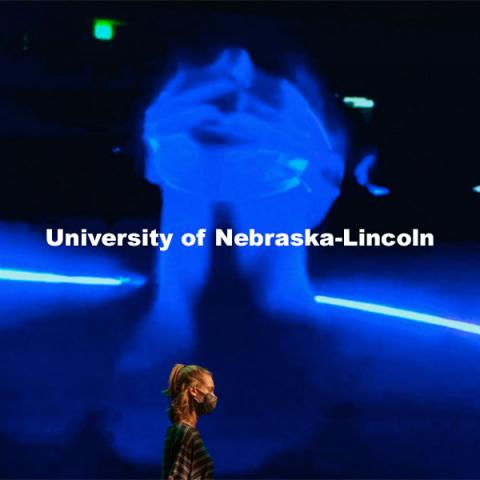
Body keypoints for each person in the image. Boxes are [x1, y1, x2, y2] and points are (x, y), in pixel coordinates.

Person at [162, 364, 218, 480]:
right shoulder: (188, 434)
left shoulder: (175, 430)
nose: (213, 396)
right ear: (193, 390)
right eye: (210, 390)